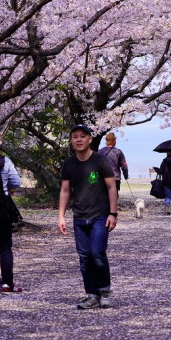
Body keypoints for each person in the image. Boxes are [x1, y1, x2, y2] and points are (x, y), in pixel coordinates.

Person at [58, 124, 118, 308]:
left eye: (82, 136)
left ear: (90, 139)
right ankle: (91, 294)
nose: (78, 140)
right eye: (75, 136)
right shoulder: (68, 164)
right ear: (71, 140)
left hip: (100, 215)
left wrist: (113, 213)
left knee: (97, 253)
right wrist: (61, 216)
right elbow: (65, 190)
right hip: (79, 217)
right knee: (84, 257)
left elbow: (111, 187)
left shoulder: (100, 161)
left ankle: (105, 290)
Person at [0, 147, 22, 293]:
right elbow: (16, 182)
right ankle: (7, 284)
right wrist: (5, 186)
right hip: (0, 209)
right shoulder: (3, 161)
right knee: (4, 247)